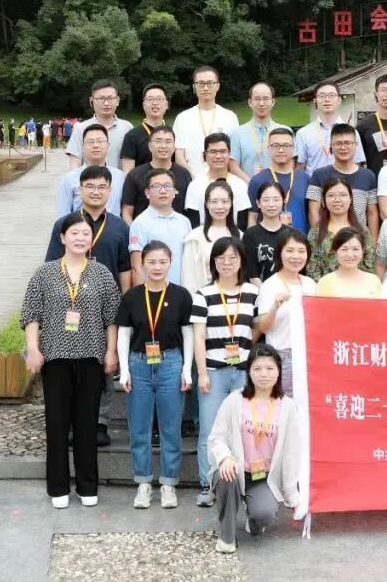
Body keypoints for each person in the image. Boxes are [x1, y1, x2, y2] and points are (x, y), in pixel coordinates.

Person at [21, 213, 121, 509]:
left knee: (87, 424)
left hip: (91, 358)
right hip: (55, 358)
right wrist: (33, 349)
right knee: (57, 423)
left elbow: (112, 318)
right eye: (74, 233)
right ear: (62, 238)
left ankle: (87, 486)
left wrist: (111, 351)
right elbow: (31, 314)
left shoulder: (101, 273)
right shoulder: (45, 273)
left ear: (91, 239)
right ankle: (58, 487)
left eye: (85, 233)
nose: (80, 238)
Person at [46, 165, 132, 447]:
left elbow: (125, 271)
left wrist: (124, 308)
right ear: (80, 190)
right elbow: (51, 266)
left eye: (102, 187)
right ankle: (73, 422)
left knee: (103, 367)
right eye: (90, 186)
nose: (96, 192)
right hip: (68, 307)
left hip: (103, 309)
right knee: (69, 368)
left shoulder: (120, 227)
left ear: (110, 191)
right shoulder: (64, 225)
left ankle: (100, 422)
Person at [114, 241, 194, 510]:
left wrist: (186, 368)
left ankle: (169, 483)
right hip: (139, 365)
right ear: (142, 264)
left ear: (170, 262)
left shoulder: (181, 295)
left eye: (162, 262)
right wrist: (124, 369)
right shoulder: (132, 297)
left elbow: (188, 333)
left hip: (171, 363)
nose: (157, 267)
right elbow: (124, 333)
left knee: (171, 426)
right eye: (151, 262)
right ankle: (144, 482)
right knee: (139, 426)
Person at [207, 344, 303, 554]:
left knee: (264, 514)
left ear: (278, 371)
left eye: (270, 368)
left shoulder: (288, 407)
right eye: (257, 368)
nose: (264, 374)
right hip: (235, 469)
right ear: (249, 371)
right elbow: (216, 438)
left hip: (263, 477)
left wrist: (291, 491)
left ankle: (254, 521)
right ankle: (227, 537)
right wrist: (225, 458)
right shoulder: (235, 400)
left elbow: (292, 453)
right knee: (227, 476)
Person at [192, 236, 259, 508]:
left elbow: (256, 329)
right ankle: (207, 484)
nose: (227, 262)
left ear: (241, 261)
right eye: (221, 258)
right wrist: (202, 373)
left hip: (243, 372)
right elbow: (199, 336)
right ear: (214, 262)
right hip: (214, 370)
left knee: (243, 429)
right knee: (209, 429)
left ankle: (242, 484)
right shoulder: (203, 294)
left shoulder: (252, 292)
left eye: (233, 257)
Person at [256, 229, 317, 396]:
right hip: (282, 355)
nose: (296, 256)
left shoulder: (310, 284)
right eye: (290, 250)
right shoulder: (270, 285)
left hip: (308, 355)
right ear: (279, 253)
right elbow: (263, 327)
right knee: (284, 403)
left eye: (301, 251)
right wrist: (275, 307)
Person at [306, 123, 379, 239]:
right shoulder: (319, 175)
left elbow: (372, 213)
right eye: (338, 143)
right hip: (328, 241)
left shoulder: (368, 176)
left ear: (356, 145)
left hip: (359, 241)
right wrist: (321, 240)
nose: (343, 147)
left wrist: (373, 242)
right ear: (331, 146)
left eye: (348, 143)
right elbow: (313, 211)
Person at [128, 168, 193, 286]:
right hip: (153, 291)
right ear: (147, 193)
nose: (163, 191)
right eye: (157, 186)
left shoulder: (184, 222)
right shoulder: (140, 223)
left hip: (182, 290)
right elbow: (137, 267)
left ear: (175, 191)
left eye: (167, 186)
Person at [174, 65, 241, 177]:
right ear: (194, 87)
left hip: (223, 181)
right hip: (192, 179)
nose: (205, 88)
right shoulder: (182, 118)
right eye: (201, 83)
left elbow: (234, 155)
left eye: (210, 83)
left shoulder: (230, 117)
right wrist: (193, 179)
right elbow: (179, 156)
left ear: (217, 86)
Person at [306, 175, 376, 279]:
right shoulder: (316, 232)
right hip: (326, 287)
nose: (337, 200)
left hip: (358, 286)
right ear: (323, 201)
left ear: (351, 199)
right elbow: (312, 268)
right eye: (331, 195)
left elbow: (369, 264)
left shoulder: (362, 230)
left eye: (343, 195)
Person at [121, 126, 192, 223]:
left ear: (174, 147)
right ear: (149, 146)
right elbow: (126, 212)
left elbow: (190, 211)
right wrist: (134, 231)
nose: (163, 146)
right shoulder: (134, 175)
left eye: (168, 142)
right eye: (158, 141)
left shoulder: (184, 174)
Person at [294, 82, 365, 176]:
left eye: (332, 95)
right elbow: (299, 168)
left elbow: (357, 164)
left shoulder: (352, 132)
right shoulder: (303, 133)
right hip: (313, 184)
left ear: (339, 100)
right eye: (322, 96)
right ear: (315, 101)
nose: (327, 99)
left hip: (344, 184)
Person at [184, 133, 252, 231]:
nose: (218, 156)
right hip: (203, 236)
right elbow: (194, 222)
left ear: (229, 154)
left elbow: (242, 222)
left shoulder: (240, 185)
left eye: (222, 151)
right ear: (204, 155)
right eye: (213, 152)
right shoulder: (195, 186)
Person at [246, 127, 309, 233]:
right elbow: (253, 216)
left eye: (286, 145)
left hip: (300, 240)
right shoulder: (257, 180)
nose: (281, 150)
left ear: (293, 148)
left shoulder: (304, 178)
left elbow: (310, 213)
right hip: (267, 240)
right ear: (269, 148)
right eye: (276, 145)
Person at [181, 181, 240, 294]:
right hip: (204, 299)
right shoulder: (195, 237)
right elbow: (188, 278)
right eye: (214, 202)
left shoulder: (241, 236)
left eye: (224, 201)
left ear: (231, 203)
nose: (219, 206)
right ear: (206, 204)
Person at [56, 124, 127, 217]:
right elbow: (62, 216)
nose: (95, 145)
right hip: (80, 226)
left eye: (100, 141)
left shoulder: (121, 177)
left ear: (108, 146)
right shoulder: (69, 179)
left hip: (113, 226)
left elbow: (126, 212)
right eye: (90, 142)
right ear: (82, 147)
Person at [66, 80, 133, 169]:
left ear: (117, 100)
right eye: (101, 99)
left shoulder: (127, 128)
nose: (106, 103)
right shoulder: (81, 128)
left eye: (110, 98)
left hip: (119, 178)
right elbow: (75, 164)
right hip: (89, 178)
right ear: (92, 100)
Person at [229, 82, 289, 181]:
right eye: (257, 99)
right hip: (247, 187)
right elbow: (233, 167)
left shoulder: (285, 132)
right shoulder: (237, 134)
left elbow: (290, 163)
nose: (261, 103)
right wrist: (253, 184)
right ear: (250, 102)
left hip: (278, 188)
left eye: (266, 99)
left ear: (273, 102)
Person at [243, 182, 292, 286]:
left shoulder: (292, 234)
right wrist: (266, 292)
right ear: (258, 203)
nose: (271, 204)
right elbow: (252, 275)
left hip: (288, 290)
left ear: (283, 201)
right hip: (259, 291)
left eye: (276, 199)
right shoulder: (250, 235)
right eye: (266, 200)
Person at [357, 73, 387, 175]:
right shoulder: (363, 126)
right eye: (383, 90)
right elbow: (358, 160)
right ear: (376, 94)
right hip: (372, 181)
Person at [317, 227, 383, 298]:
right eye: (344, 249)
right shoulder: (325, 282)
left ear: (363, 250)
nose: (350, 255)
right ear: (335, 251)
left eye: (355, 249)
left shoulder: (373, 281)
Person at [120, 83, 170, 173]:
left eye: (159, 99)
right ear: (143, 105)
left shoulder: (173, 134)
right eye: (150, 99)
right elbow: (128, 173)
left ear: (166, 104)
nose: (155, 103)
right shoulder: (131, 136)